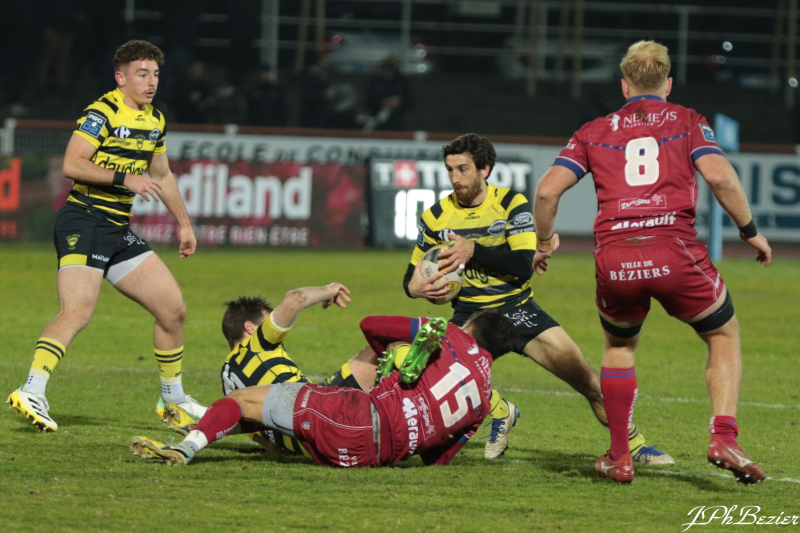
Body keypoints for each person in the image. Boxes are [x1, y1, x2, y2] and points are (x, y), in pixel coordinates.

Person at [532, 41, 771, 484]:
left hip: (615, 259)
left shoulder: (592, 131)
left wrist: (544, 242)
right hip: (673, 251)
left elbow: (546, 191)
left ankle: (620, 458)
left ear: (625, 85)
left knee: (619, 347)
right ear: (668, 83)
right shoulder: (688, 120)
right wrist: (749, 230)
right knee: (722, 333)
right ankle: (723, 437)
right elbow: (720, 177)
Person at [403, 133, 673, 465]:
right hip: (471, 314)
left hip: (518, 309)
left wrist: (474, 249)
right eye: (450, 170)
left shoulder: (510, 203)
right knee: (428, 377)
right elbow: (411, 276)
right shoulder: (435, 217)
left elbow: (522, 265)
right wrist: (415, 289)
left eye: (463, 169)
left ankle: (634, 445)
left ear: (485, 169)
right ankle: (501, 410)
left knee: (588, 382)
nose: (455, 178)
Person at [6, 40, 204, 432]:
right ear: (121, 78)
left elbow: (162, 174)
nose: (151, 82)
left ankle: (173, 401)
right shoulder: (102, 113)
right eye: (142, 74)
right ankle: (31, 390)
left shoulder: (155, 119)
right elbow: (71, 164)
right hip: (83, 221)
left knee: (172, 310)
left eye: (155, 74)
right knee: (77, 310)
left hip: (116, 230)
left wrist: (184, 223)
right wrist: (125, 177)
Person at [131, 309, 518, 467]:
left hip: (355, 416)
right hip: (369, 458)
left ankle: (187, 446)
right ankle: (213, 424)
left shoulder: (447, 332)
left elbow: (370, 324)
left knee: (241, 399)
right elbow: (437, 460)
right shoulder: (483, 403)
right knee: (270, 414)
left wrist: (392, 356)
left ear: (470, 327)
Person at [161, 282, 379, 456]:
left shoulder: (230, 389)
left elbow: (272, 447)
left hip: (311, 449)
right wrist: (329, 290)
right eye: (267, 321)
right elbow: (296, 298)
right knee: (379, 347)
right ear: (250, 328)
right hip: (322, 416)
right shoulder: (257, 344)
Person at [365, 56, 412, 131]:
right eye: (385, 69)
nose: (387, 72)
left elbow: (410, 103)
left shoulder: (402, 83)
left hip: (398, 118)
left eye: (390, 69)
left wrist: (399, 103)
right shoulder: (375, 83)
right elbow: (368, 101)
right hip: (377, 116)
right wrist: (382, 102)